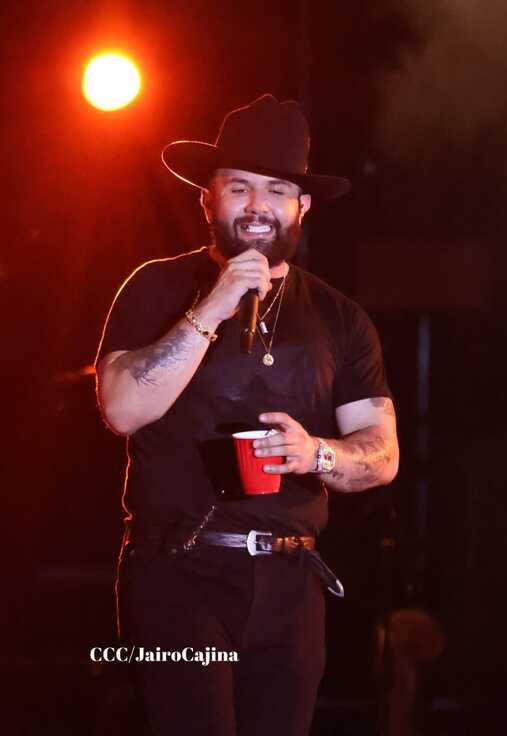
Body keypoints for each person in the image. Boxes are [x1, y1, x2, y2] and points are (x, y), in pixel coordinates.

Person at [95, 94, 399, 736]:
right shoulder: (155, 286)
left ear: (302, 205)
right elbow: (121, 409)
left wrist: (316, 453)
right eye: (238, 187)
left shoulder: (341, 318)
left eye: (276, 191)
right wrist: (215, 303)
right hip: (178, 574)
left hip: (291, 580)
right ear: (207, 198)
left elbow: (382, 452)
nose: (257, 205)